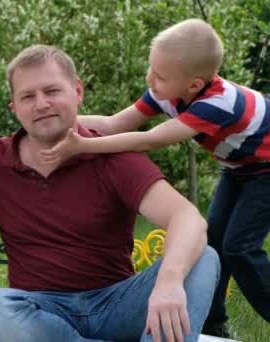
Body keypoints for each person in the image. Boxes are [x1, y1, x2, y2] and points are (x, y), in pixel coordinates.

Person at [0, 44, 220, 342]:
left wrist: (168, 282)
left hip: (117, 305)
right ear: (14, 106)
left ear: (77, 92)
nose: (41, 104)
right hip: (40, 312)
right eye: (28, 96)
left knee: (202, 258)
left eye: (52, 91)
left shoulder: (112, 155)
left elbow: (187, 218)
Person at [39, 18, 270, 337]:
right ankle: (214, 325)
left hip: (266, 172)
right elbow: (113, 123)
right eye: (151, 69)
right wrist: (47, 121)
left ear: (193, 84)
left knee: (239, 248)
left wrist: (84, 146)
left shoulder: (216, 104)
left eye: (159, 76)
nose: (150, 79)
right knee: (212, 244)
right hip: (240, 167)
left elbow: (150, 139)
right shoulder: (167, 90)